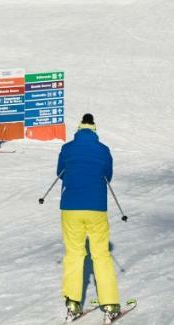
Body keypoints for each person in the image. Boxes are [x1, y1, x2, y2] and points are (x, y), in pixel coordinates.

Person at [56, 113, 120, 322]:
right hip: (96, 208)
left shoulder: (67, 148)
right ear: (94, 129)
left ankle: (73, 304)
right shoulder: (103, 150)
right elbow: (107, 176)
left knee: (74, 254)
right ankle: (110, 303)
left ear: (78, 128)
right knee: (100, 254)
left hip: (71, 207)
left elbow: (61, 173)